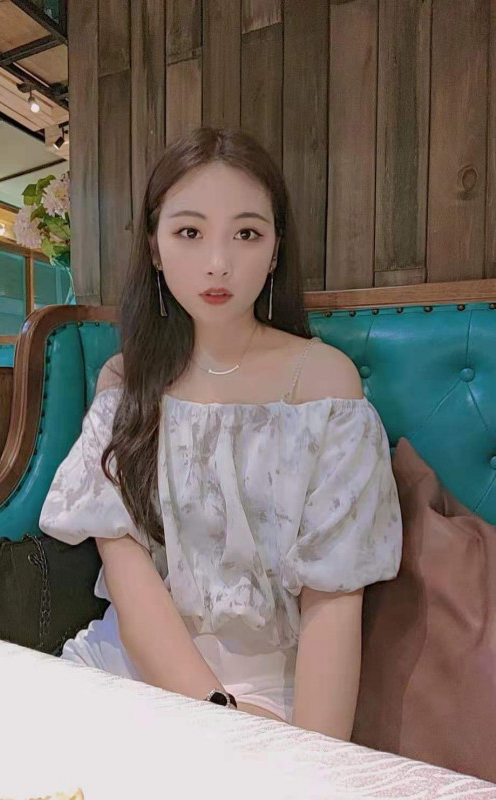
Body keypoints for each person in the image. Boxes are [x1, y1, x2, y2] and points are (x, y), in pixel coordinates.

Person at [39, 127, 402, 739]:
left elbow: (335, 597)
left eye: (247, 234)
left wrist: (313, 758)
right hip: (131, 665)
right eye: (189, 232)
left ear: (276, 249)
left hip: (277, 694)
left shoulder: (324, 385)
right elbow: (126, 572)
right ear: (155, 247)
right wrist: (214, 711)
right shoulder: (125, 382)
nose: (218, 263)